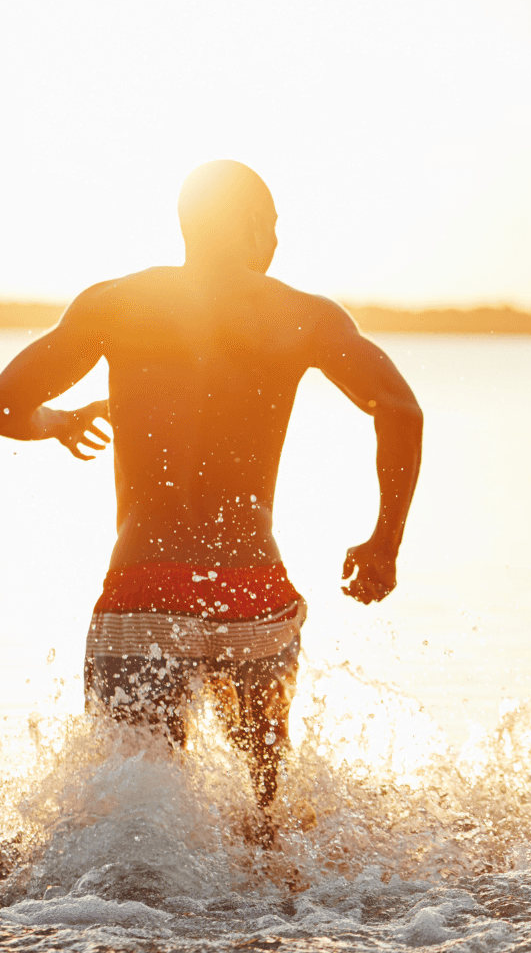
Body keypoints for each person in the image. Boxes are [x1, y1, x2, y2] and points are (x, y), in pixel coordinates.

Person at [0, 161, 423, 826]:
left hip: (144, 587)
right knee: (267, 805)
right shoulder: (303, 316)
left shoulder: (115, 304)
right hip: (251, 590)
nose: (279, 242)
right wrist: (384, 544)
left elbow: (5, 401)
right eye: (274, 224)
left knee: (126, 812)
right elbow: (400, 409)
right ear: (252, 224)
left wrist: (55, 423)